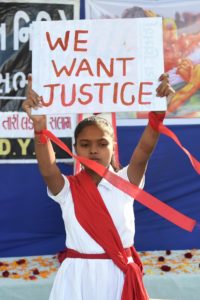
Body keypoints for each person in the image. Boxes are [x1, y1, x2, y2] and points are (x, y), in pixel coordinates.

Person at [22, 73, 174, 300]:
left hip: (118, 276)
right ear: (74, 148)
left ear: (113, 147)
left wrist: (157, 115)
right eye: (85, 144)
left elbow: (143, 151)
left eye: (102, 144)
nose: (93, 150)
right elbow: (48, 168)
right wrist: (39, 129)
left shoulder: (126, 181)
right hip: (78, 279)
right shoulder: (67, 189)